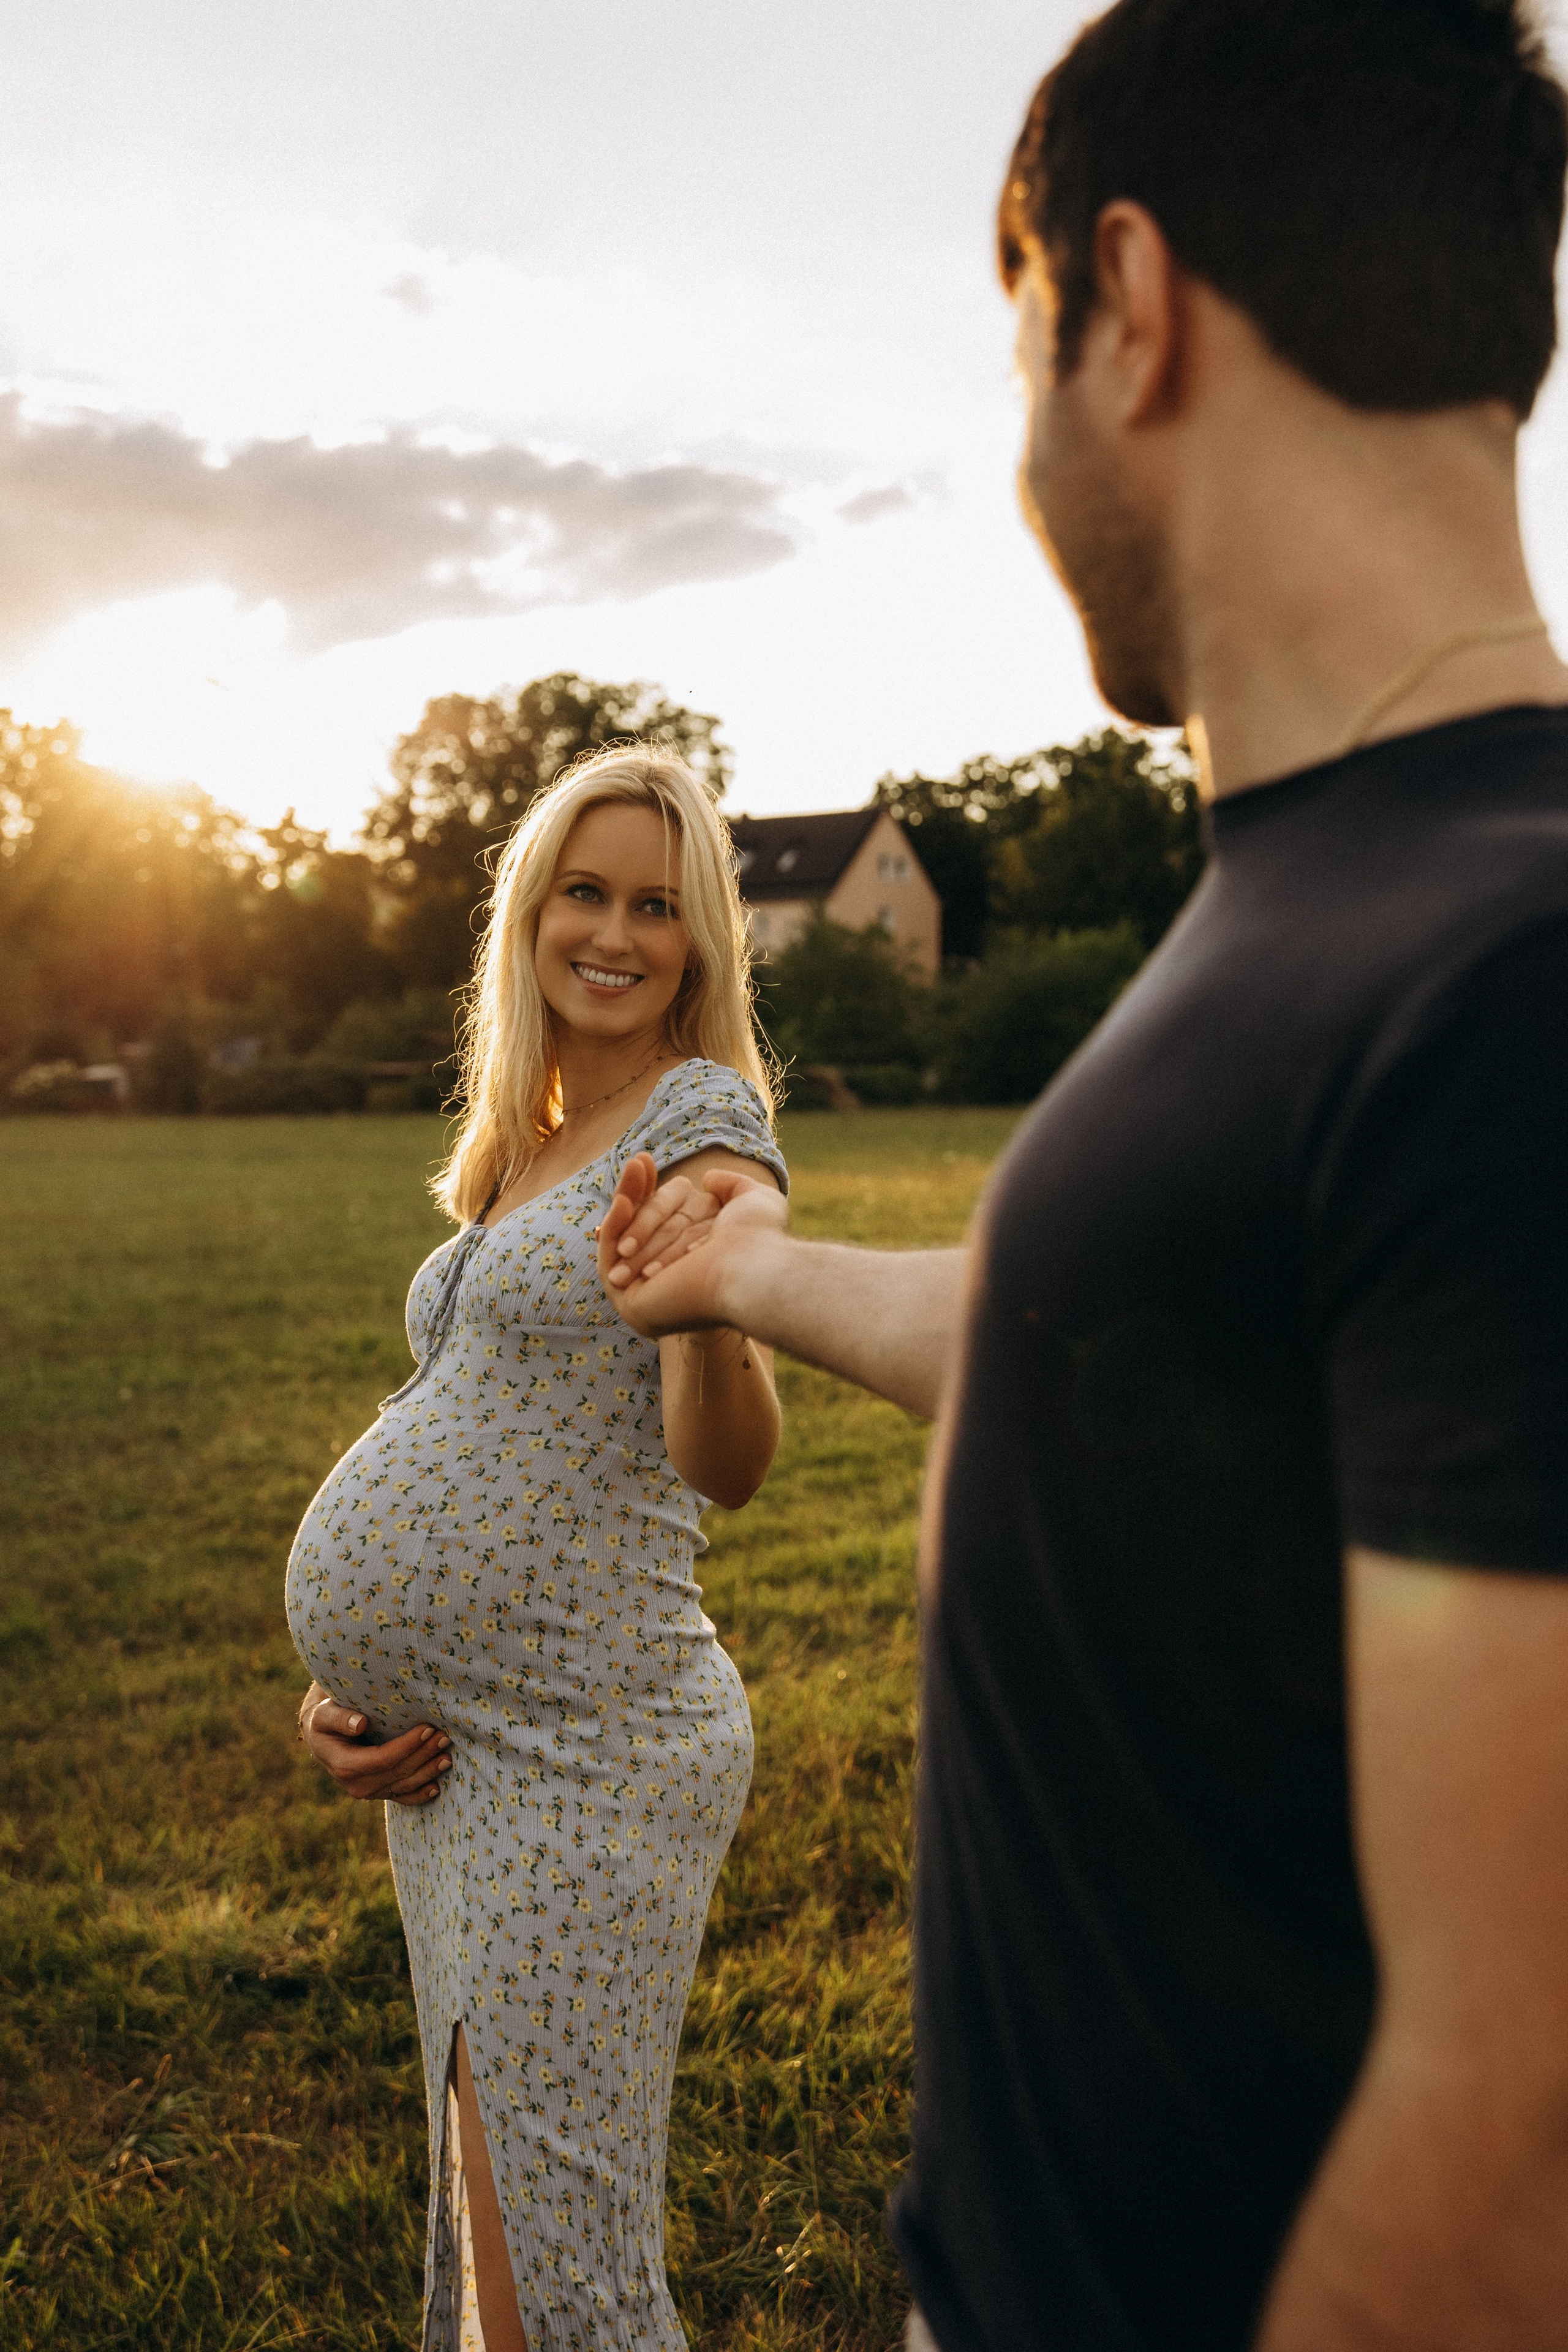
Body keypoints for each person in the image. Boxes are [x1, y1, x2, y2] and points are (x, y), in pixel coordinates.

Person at [595, 4, 1568, 2346]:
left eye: (1021, 346)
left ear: (1124, 305)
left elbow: (1524, 2124)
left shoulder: (1510, 972)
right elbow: (1158, 1359)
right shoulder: (1338, 916)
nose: (1027, 445)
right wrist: (767, 1273)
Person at [287, 747, 787, 2352]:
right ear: (532, 910)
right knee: (482, 2208)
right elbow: (464, 1416)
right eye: (587, 891)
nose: (618, 934)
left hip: (599, 1748)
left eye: (659, 904)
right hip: (456, 1761)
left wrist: (707, 1310)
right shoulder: (525, 1147)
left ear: (699, 939)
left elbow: (734, 1462)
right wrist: (345, 1689)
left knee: (566, 2261)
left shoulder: (701, 1114)